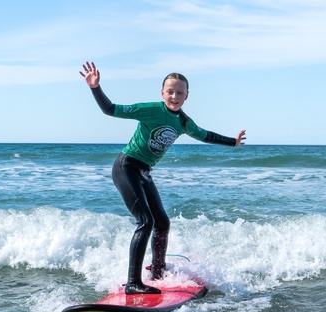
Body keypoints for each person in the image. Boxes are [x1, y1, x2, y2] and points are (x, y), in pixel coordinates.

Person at [79, 61, 246, 294]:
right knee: (145, 221)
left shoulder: (183, 122)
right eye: (170, 91)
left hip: (144, 172)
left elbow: (205, 135)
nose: (174, 96)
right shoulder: (151, 110)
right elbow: (111, 109)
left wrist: (232, 142)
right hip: (126, 167)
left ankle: (157, 272)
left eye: (180, 93)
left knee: (162, 222)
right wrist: (95, 87)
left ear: (186, 96)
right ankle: (133, 283)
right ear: (162, 93)